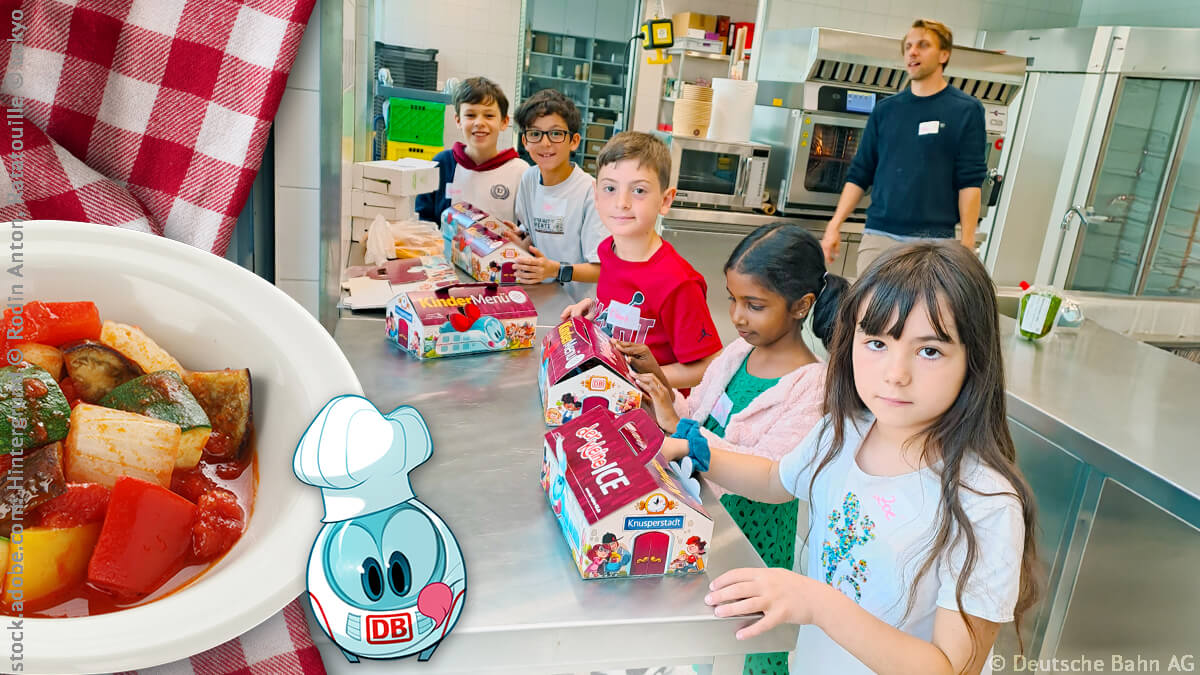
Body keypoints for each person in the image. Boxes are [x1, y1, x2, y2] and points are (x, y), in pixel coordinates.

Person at [663, 241, 1040, 674]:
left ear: (975, 359)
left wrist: (819, 604)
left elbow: (951, 667)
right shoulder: (844, 430)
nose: (896, 374)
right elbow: (774, 479)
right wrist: (695, 451)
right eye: (877, 343)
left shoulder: (985, 502)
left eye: (930, 350)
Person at [632, 223, 848, 675]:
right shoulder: (735, 355)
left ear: (802, 307)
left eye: (754, 305)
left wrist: (681, 429)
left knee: (747, 637)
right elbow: (701, 415)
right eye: (732, 298)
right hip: (703, 514)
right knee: (701, 625)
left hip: (753, 531)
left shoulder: (811, 387)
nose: (737, 315)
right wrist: (664, 393)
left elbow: (769, 473)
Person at [820, 19, 987, 277]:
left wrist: (966, 244)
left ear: (944, 54)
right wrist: (834, 225)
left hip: (935, 244)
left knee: (924, 317)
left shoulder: (966, 110)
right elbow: (860, 173)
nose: (912, 52)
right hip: (879, 238)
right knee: (869, 314)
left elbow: (970, 182)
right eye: (908, 46)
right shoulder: (886, 110)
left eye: (923, 45)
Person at [560, 131, 722, 390]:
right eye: (610, 188)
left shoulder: (678, 282)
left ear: (665, 200)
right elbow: (630, 310)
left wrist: (632, 377)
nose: (621, 203)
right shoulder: (608, 250)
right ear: (596, 195)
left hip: (656, 411)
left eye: (638, 190)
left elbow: (709, 366)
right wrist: (595, 311)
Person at [506, 89, 607, 285]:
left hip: (578, 307)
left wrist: (556, 270)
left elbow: (601, 269)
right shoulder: (529, 178)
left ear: (574, 141)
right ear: (525, 141)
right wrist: (522, 242)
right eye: (535, 133)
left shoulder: (590, 192)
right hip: (542, 295)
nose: (545, 143)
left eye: (555, 134)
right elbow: (534, 236)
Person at [415, 77, 527, 224]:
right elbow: (423, 221)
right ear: (458, 121)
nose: (479, 123)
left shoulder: (520, 172)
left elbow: (528, 231)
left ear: (504, 122)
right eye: (470, 115)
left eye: (489, 116)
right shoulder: (442, 164)